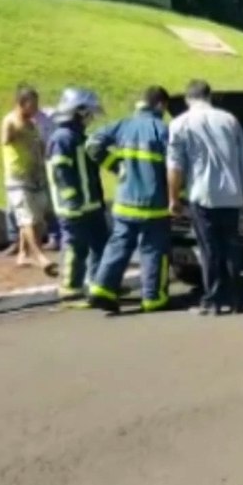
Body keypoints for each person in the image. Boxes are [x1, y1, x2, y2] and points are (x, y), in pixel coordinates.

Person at [167, 79, 243, 316]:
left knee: (209, 249)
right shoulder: (230, 120)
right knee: (232, 247)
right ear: (209, 96)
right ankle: (237, 300)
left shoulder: (179, 124)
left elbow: (175, 166)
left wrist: (173, 198)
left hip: (203, 196)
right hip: (232, 195)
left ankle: (213, 301)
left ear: (187, 99)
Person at [85, 86, 172, 314]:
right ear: (161, 105)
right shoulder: (162, 130)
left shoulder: (123, 125)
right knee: (153, 251)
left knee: (118, 246)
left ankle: (102, 289)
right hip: (154, 205)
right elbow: (175, 166)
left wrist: (115, 165)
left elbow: (92, 144)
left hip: (124, 203)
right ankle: (153, 298)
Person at [46, 88, 109, 301]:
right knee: (75, 247)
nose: (91, 117)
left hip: (91, 206)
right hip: (74, 208)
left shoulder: (79, 137)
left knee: (100, 245)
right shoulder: (63, 138)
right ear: (79, 111)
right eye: (89, 113)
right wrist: (72, 199)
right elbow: (60, 171)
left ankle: (97, 285)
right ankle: (70, 290)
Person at [0, 83, 56, 276]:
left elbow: (40, 147)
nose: (37, 108)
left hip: (36, 176)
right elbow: (6, 139)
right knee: (27, 219)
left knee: (38, 218)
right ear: (22, 103)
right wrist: (17, 129)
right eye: (33, 103)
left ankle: (23, 253)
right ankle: (39, 257)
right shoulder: (11, 121)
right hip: (18, 177)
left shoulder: (33, 124)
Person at [4, 105, 62, 254]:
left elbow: (43, 143)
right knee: (16, 209)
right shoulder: (13, 121)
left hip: (41, 166)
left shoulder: (45, 119)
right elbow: (6, 140)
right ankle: (17, 242)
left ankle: (53, 238)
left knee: (44, 205)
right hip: (18, 172)